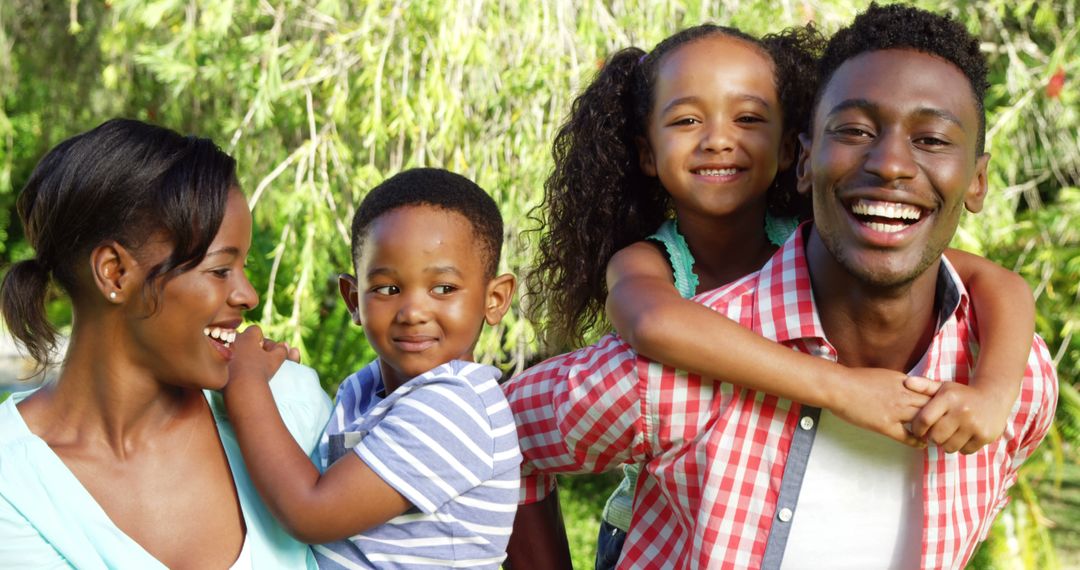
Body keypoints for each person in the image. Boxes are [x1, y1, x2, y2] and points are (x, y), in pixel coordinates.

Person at [503, 4, 1059, 568]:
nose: (891, 165)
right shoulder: (658, 339)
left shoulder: (1015, 383)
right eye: (855, 130)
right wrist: (843, 388)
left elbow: (995, 280)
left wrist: (995, 391)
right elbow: (508, 432)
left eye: (932, 139)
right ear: (808, 158)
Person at [0, 118, 331, 568]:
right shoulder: (13, 484)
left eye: (244, 267)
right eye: (219, 270)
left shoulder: (288, 404)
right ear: (115, 273)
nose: (248, 295)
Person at [222, 168, 521, 569]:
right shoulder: (367, 389)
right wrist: (278, 387)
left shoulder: (455, 407)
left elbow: (312, 511)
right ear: (353, 298)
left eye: (443, 289)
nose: (414, 311)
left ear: (495, 299)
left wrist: (246, 385)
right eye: (388, 289)